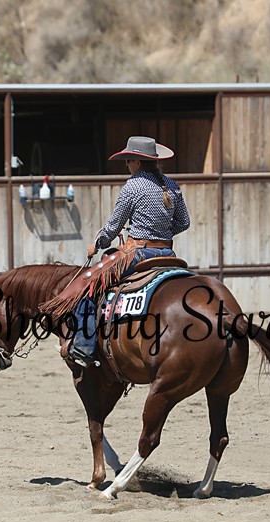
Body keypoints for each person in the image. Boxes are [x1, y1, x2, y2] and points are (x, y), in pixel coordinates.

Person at [67, 136, 190, 366]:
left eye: (128, 161)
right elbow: (184, 223)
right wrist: (162, 233)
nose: (126, 165)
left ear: (137, 162)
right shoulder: (172, 186)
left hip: (139, 254)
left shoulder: (133, 186)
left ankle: (83, 347)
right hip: (168, 255)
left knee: (90, 286)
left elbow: (114, 226)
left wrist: (98, 244)